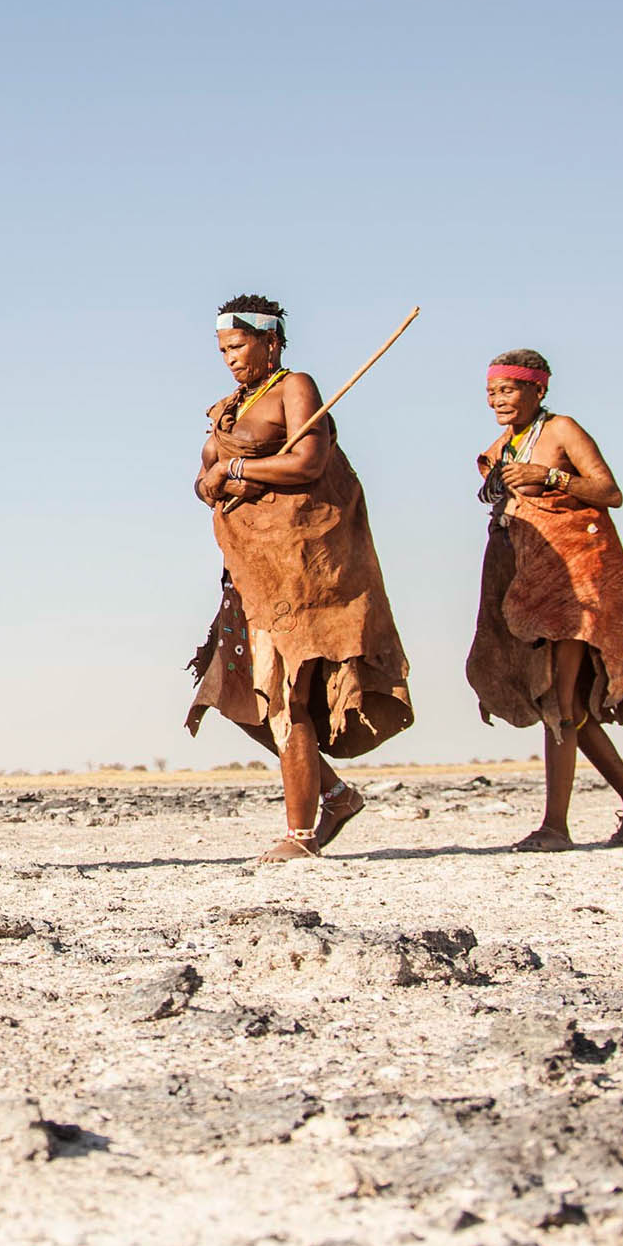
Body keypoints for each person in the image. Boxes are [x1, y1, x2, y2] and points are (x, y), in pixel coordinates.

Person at [187, 297, 412, 862]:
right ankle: (335, 795)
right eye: (222, 350)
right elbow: (201, 480)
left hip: (300, 572)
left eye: (237, 347)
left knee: (289, 694)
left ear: (270, 341)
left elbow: (308, 463)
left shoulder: (296, 388)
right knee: (235, 695)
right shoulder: (229, 408)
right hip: (251, 569)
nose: (230, 359)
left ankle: (301, 834)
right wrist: (215, 482)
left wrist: (236, 470)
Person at [462, 349, 623, 851]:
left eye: (508, 390)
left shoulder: (562, 429)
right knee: (565, 702)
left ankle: (556, 827)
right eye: (492, 392)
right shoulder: (504, 445)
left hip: (575, 579)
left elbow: (610, 493)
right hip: (533, 580)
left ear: (538, 390)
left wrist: (548, 478)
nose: (498, 400)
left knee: (560, 699)